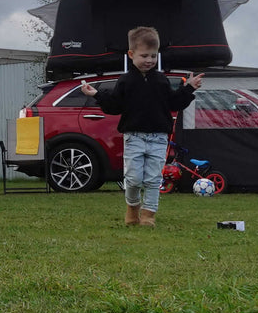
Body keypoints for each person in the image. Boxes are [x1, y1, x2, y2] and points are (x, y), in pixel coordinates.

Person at [80, 26, 203, 227]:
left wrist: (189, 88)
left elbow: (173, 103)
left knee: (154, 179)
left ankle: (148, 215)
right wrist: (96, 94)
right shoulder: (125, 81)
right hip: (134, 137)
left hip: (158, 138)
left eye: (153, 56)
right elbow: (114, 105)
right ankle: (132, 209)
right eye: (144, 55)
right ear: (131, 54)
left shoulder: (161, 80)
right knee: (134, 178)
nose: (149, 60)